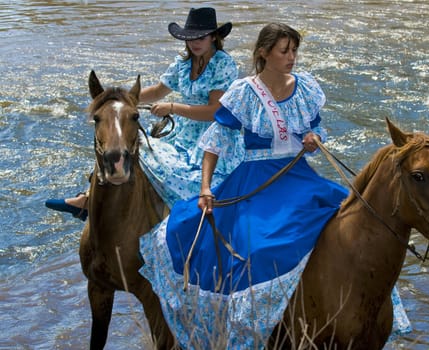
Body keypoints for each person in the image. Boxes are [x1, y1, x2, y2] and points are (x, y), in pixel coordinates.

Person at [139, 23, 410, 349]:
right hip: (256, 180)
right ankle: (252, 328)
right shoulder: (243, 92)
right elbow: (214, 144)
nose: (292, 57)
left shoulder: (306, 87)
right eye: (285, 51)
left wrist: (314, 138)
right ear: (264, 53)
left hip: (299, 176)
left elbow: (317, 128)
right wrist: (206, 188)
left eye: (294, 50)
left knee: (354, 219)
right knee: (259, 249)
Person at [45, 7, 244, 219]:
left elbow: (214, 112)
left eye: (201, 37)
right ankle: (87, 197)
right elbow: (159, 90)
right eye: (189, 38)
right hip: (183, 131)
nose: (194, 43)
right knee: (126, 144)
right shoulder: (184, 63)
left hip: (210, 136)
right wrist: (120, 101)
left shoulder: (223, 64)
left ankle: (164, 216)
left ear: (214, 37)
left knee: (179, 172)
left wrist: (172, 108)